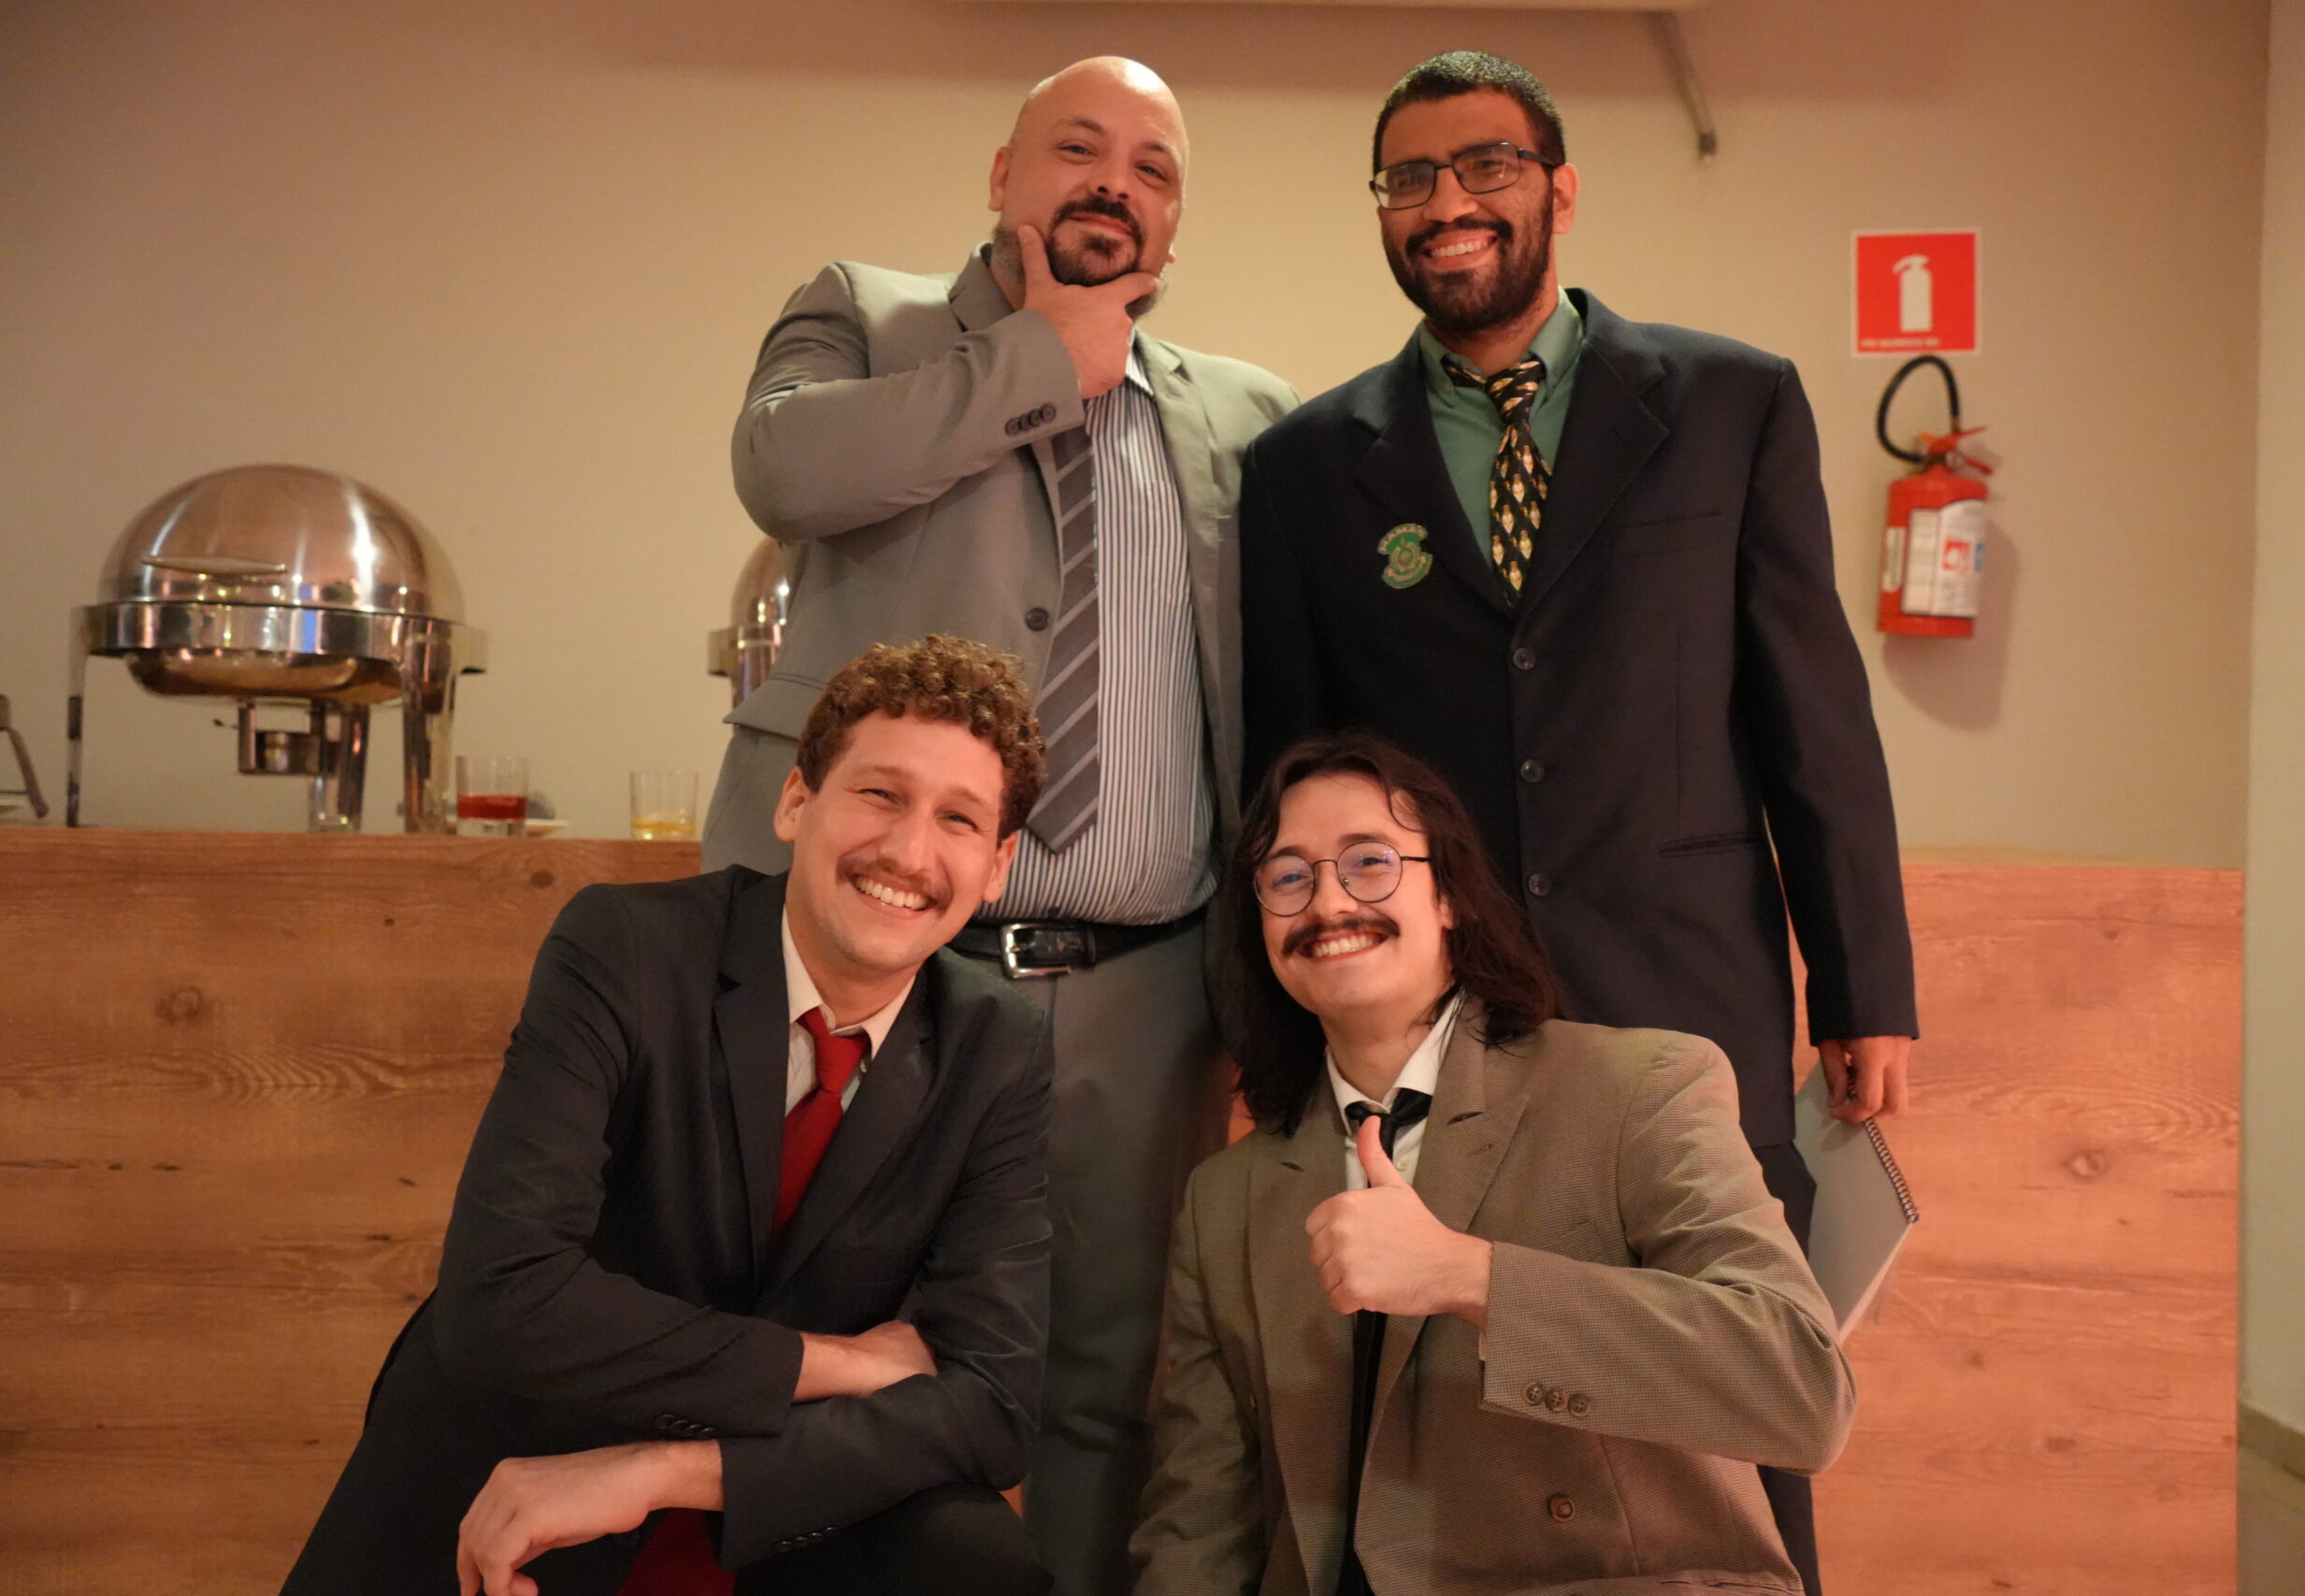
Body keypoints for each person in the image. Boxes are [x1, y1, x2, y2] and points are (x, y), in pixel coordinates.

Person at [1234, 53, 1914, 1589]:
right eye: (1410, 178)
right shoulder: (1304, 472)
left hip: (1693, 989)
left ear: (1560, 185)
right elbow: (1286, 778)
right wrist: (1269, 1042)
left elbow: (1812, 715)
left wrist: (1864, 981)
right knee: (1456, 1406)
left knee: (1734, 1408)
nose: (1447, 202)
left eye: (1484, 164)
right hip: (1441, 1022)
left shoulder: (1732, 404)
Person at [701, 55, 1298, 1596]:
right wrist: (1039, 357)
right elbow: (782, 465)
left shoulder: (1248, 415)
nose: (1115, 183)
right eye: (1078, 148)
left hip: (1148, 991)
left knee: (1104, 1378)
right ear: (1001, 175)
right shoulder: (868, 315)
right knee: (816, 1345)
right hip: (883, 967)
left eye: (1154, 167)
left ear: (1178, 216)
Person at [284, 637, 1055, 1596]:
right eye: (879, 794)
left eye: (958, 819)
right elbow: (503, 1297)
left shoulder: (999, 1045)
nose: (908, 851)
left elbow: (994, 1404)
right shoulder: (626, 947)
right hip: (525, 1461)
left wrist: (664, 1472)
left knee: (982, 1563)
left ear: (996, 865)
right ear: (795, 801)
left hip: (770, 1498)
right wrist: (836, 1364)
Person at [1131, 731, 1855, 1596]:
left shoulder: (1638, 1086)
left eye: (1369, 862)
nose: (1328, 901)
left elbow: (1802, 1390)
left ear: (1450, 896)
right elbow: (1200, 1524)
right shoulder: (1225, 1197)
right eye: (1288, 877)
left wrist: (1468, 1274)